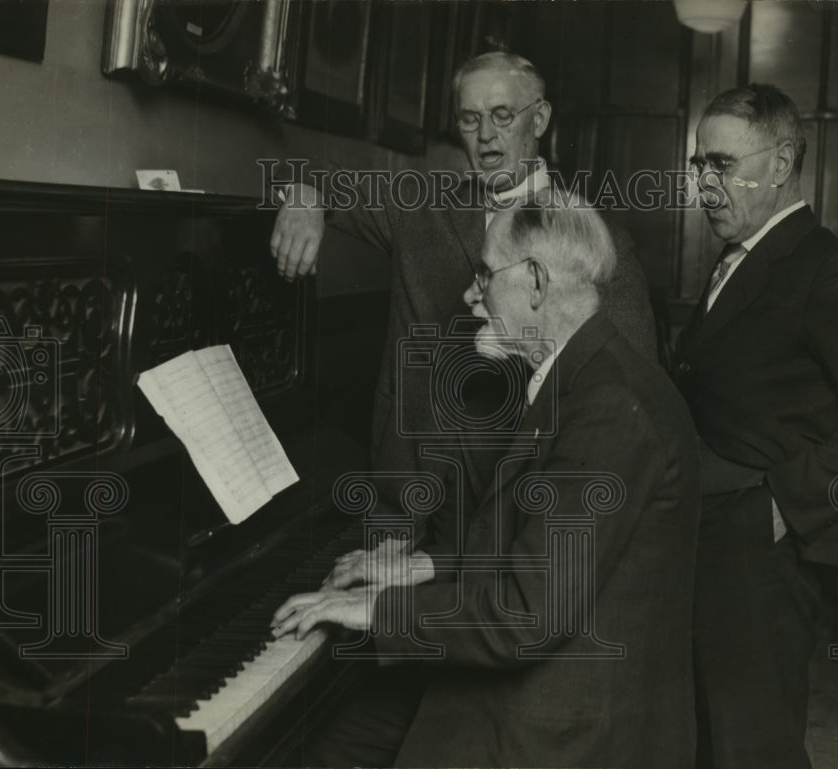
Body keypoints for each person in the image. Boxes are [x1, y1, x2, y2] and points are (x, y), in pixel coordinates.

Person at [272, 197, 700, 768]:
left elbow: (525, 614)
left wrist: (375, 611)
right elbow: (537, 555)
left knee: (329, 747)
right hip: (556, 680)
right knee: (332, 741)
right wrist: (420, 567)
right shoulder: (585, 374)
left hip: (566, 728)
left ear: (537, 283)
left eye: (484, 275)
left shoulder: (607, 410)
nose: (471, 295)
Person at [672, 83, 838, 769]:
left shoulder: (825, 268)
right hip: (712, 535)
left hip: (762, 549)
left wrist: (790, 500)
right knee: (712, 736)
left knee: (751, 745)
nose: (705, 183)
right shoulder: (740, 258)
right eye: (699, 165)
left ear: (781, 164)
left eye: (722, 164)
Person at [269, 51, 656, 493]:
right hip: (410, 485)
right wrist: (304, 193)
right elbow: (293, 165)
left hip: (520, 497)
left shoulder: (600, 244)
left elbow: (634, 393)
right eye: (470, 120)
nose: (486, 136)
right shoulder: (421, 209)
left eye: (502, 115)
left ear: (540, 118)